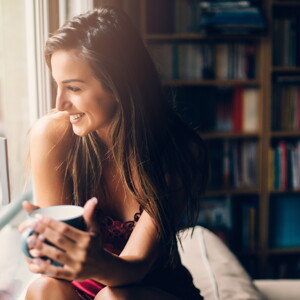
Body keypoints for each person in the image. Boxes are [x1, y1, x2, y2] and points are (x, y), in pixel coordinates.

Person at [19, 6, 208, 300]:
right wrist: (47, 249)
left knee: (114, 298)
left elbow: (137, 266)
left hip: (152, 289)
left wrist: (95, 261)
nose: (60, 104)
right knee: (43, 289)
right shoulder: (53, 136)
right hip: (84, 290)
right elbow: (55, 271)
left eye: (74, 88)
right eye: (58, 86)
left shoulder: (177, 150)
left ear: (119, 86)